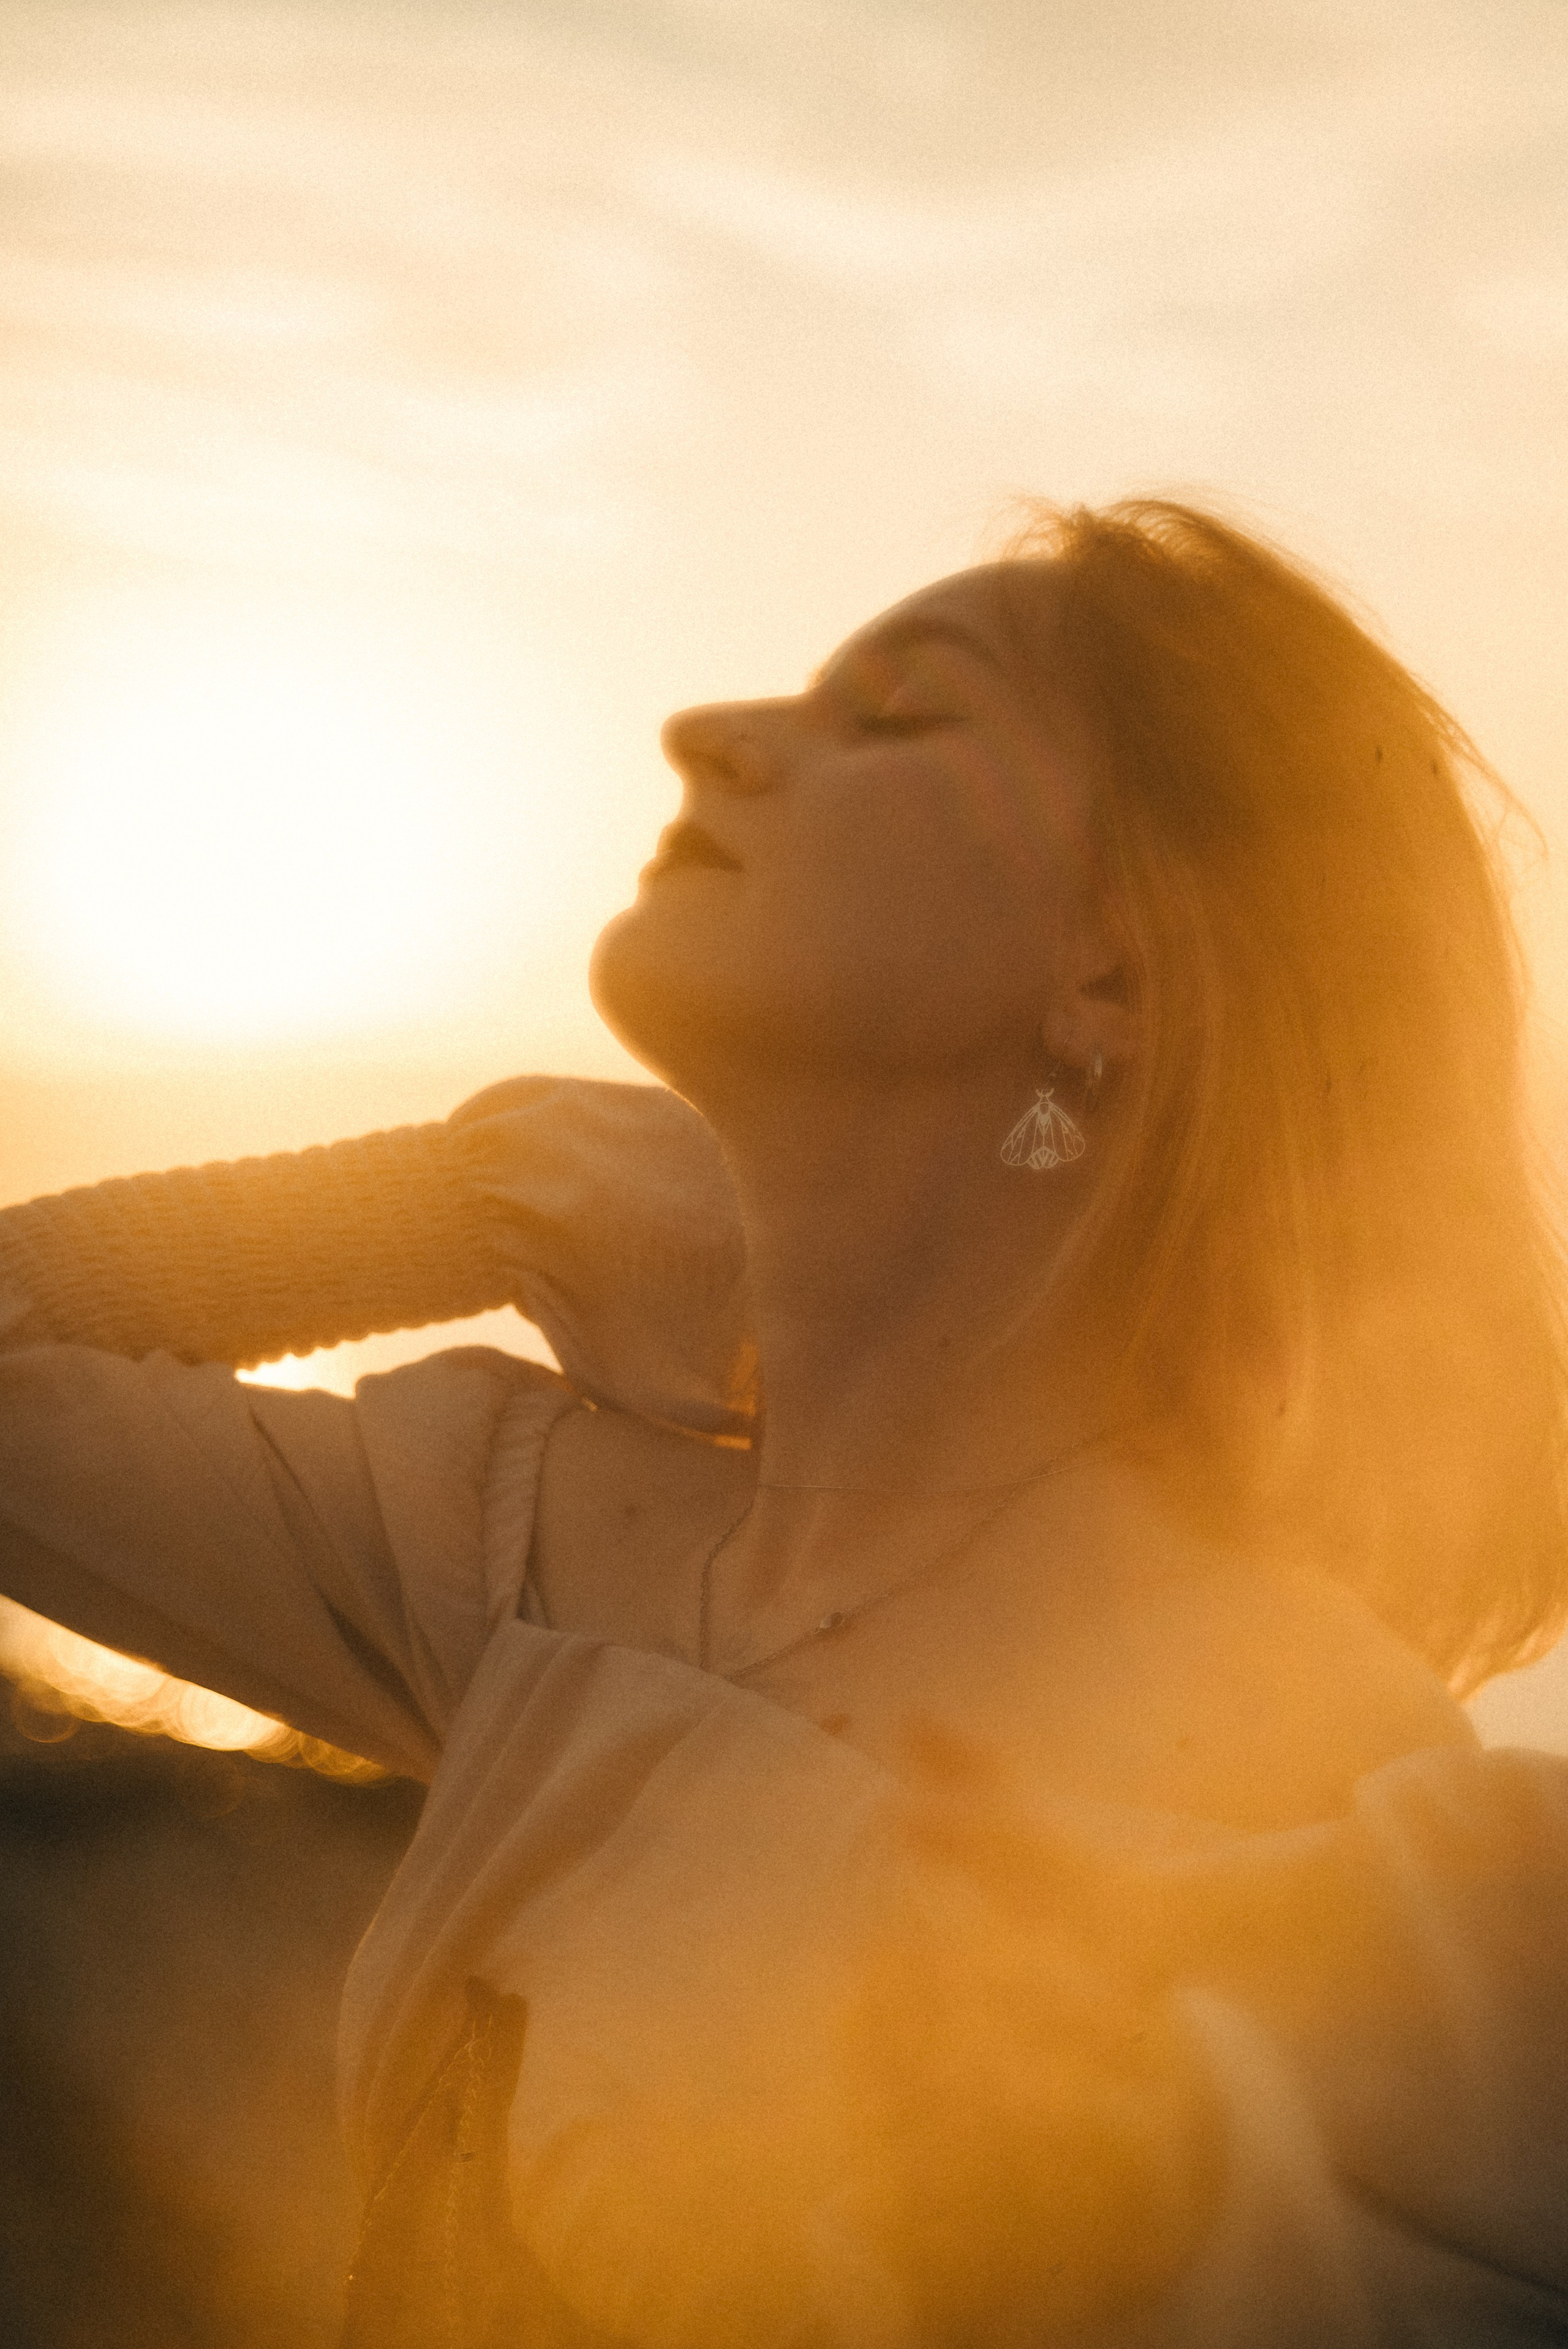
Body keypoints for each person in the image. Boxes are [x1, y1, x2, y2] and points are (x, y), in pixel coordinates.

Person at [2, 500, 1567, 2347]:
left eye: (898, 716)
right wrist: (460, 1203)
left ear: (1114, 977)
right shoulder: (519, 1534)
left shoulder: (1306, 1759)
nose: (707, 732)